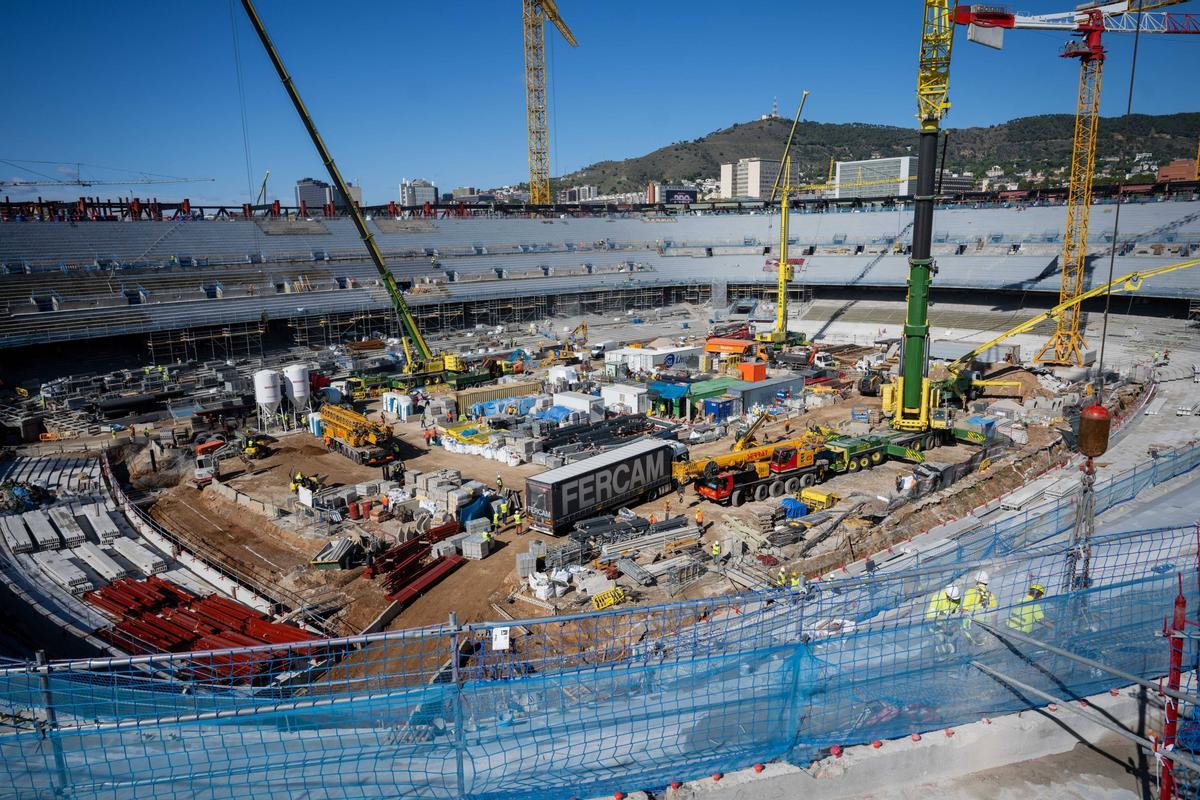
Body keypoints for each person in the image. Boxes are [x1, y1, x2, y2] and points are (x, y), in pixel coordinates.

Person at [926, 585, 964, 658]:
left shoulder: (956, 598)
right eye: (952, 599)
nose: (954, 600)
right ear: (947, 595)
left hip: (948, 624)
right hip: (935, 624)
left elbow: (955, 610)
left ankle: (951, 653)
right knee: (940, 640)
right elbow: (930, 615)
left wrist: (958, 616)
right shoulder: (937, 598)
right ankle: (940, 656)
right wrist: (942, 625)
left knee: (955, 635)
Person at [962, 570, 995, 644]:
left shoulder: (970, 592)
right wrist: (993, 628)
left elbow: (965, 610)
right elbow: (994, 614)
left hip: (974, 624)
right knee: (984, 642)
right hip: (987, 624)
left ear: (976, 581)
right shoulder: (991, 595)